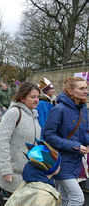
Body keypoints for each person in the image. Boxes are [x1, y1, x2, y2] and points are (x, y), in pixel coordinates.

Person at [43, 77, 89, 206]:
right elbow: (48, 134)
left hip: (76, 160)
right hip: (61, 160)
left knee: (63, 196)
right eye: (81, 88)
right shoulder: (59, 109)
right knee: (77, 198)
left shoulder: (83, 108)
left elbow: (84, 131)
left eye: (86, 88)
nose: (85, 91)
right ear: (70, 91)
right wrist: (75, 146)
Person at [0, 82, 41, 200]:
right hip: (14, 172)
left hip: (29, 171)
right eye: (32, 97)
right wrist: (6, 169)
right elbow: (2, 141)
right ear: (22, 98)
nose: (36, 100)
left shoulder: (34, 114)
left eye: (38, 97)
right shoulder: (14, 113)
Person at [5, 139, 61, 206]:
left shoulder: (30, 183)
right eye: (58, 164)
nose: (60, 165)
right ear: (51, 169)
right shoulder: (45, 196)